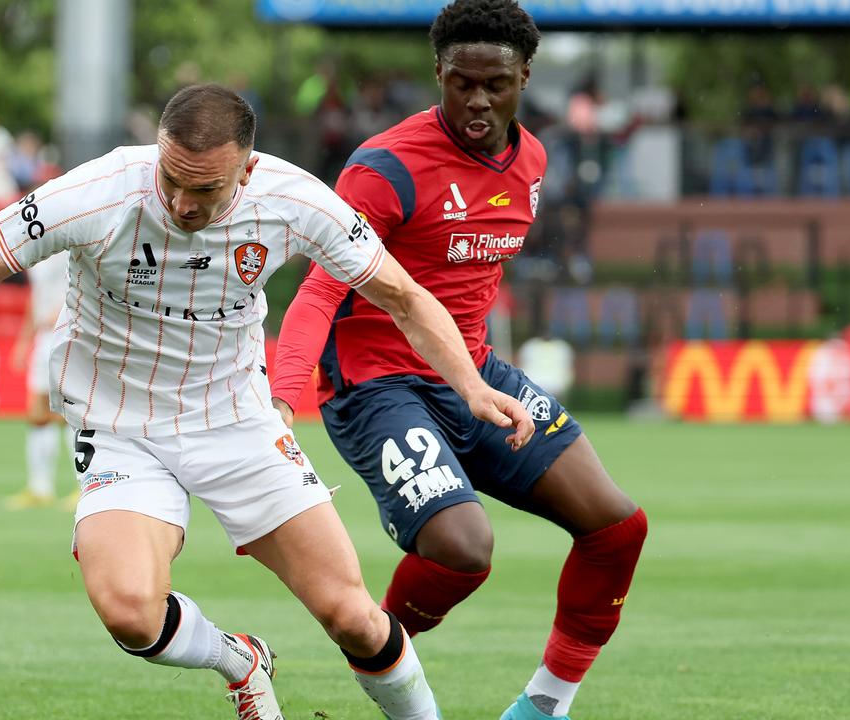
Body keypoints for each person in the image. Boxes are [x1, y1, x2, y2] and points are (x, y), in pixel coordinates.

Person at [0, 84, 535, 720]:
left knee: (352, 616)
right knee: (131, 613)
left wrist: (470, 388)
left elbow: (406, 296)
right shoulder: (98, 192)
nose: (182, 204)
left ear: (248, 170)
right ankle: (240, 663)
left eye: (206, 191)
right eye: (172, 181)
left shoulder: (295, 199)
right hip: (117, 424)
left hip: (236, 421)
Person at [270, 3, 648, 719]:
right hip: (377, 385)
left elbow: (465, 285)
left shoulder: (532, 160)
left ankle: (543, 707)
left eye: (495, 85)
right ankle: (378, 649)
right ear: (437, 74)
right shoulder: (383, 170)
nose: (477, 101)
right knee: (464, 548)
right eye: (461, 83)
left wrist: (472, 377)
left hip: (473, 375)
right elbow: (319, 291)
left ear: (526, 77)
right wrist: (284, 403)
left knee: (617, 528)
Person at [5, 248, 79, 511]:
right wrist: (25, 340)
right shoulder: (38, 254)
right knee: (38, 412)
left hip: (66, 333)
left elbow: (83, 282)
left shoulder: (66, 248)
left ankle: (83, 486)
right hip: (43, 337)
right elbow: (36, 299)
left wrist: (62, 311)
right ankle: (40, 487)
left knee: (68, 412)